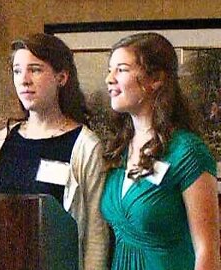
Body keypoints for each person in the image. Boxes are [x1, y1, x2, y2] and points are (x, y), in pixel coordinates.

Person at [0, 33, 110, 270]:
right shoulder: (2, 140)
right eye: (17, 71)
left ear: (61, 77)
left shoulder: (85, 145)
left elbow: (96, 236)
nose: (24, 80)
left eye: (34, 70)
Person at [101, 32, 220, 269]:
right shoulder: (120, 149)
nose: (109, 79)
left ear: (155, 79)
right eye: (109, 69)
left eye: (121, 70)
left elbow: (207, 250)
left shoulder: (187, 152)